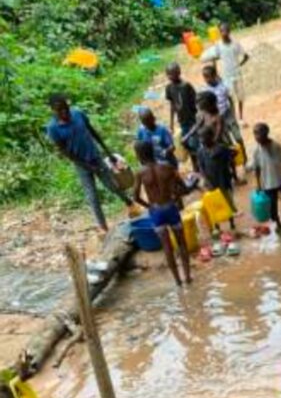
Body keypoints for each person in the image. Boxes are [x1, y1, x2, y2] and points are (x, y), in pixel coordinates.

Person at [46, 94, 133, 232]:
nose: (64, 112)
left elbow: (93, 132)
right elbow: (65, 152)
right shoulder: (53, 128)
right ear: (53, 110)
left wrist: (108, 152)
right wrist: (87, 166)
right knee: (92, 197)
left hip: (95, 157)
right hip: (81, 165)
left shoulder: (78, 114)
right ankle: (103, 228)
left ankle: (130, 204)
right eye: (59, 110)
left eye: (65, 108)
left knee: (112, 185)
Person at [132, 141, 191, 286]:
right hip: (170, 207)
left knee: (167, 248)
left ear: (139, 155)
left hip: (156, 211)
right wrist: (175, 197)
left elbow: (135, 197)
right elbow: (184, 188)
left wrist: (149, 206)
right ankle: (188, 277)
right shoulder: (167, 167)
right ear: (152, 151)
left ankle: (178, 282)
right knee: (182, 243)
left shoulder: (140, 173)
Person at [201, 22, 250, 122]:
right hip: (226, 77)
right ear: (219, 32)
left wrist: (239, 65)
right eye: (222, 31)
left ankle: (241, 118)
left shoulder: (235, 44)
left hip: (237, 75)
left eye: (226, 30)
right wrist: (215, 74)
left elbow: (246, 56)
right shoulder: (218, 46)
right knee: (228, 98)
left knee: (240, 97)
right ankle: (232, 117)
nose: (224, 33)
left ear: (229, 31)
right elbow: (214, 57)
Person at [196, 127, 238, 236]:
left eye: (204, 138)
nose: (202, 140)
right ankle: (217, 226)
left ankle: (231, 223)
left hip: (223, 180)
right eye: (201, 138)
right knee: (213, 204)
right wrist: (206, 180)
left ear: (211, 137)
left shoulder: (221, 148)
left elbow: (233, 154)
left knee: (227, 201)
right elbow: (201, 168)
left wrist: (229, 166)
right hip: (210, 181)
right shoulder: (201, 152)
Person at [201, 65, 245, 160]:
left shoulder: (223, 86)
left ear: (215, 75)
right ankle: (235, 161)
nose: (206, 79)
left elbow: (230, 100)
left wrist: (233, 114)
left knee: (238, 137)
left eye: (208, 76)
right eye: (205, 77)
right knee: (227, 142)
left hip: (227, 115)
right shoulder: (205, 90)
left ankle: (245, 158)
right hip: (217, 118)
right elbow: (204, 108)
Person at [165, 62, 199, 170]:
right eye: (168, 74)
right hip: (182, 121)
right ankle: (196, 167)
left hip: (193, 120)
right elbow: (172, 105)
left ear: (179, 72)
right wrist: (171, 123)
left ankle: (200, 166)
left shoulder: (186, 86)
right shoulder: (169, 88)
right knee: (187, 144)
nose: (170, 76)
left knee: (195, 144)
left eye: (172, 73)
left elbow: (196, 102)